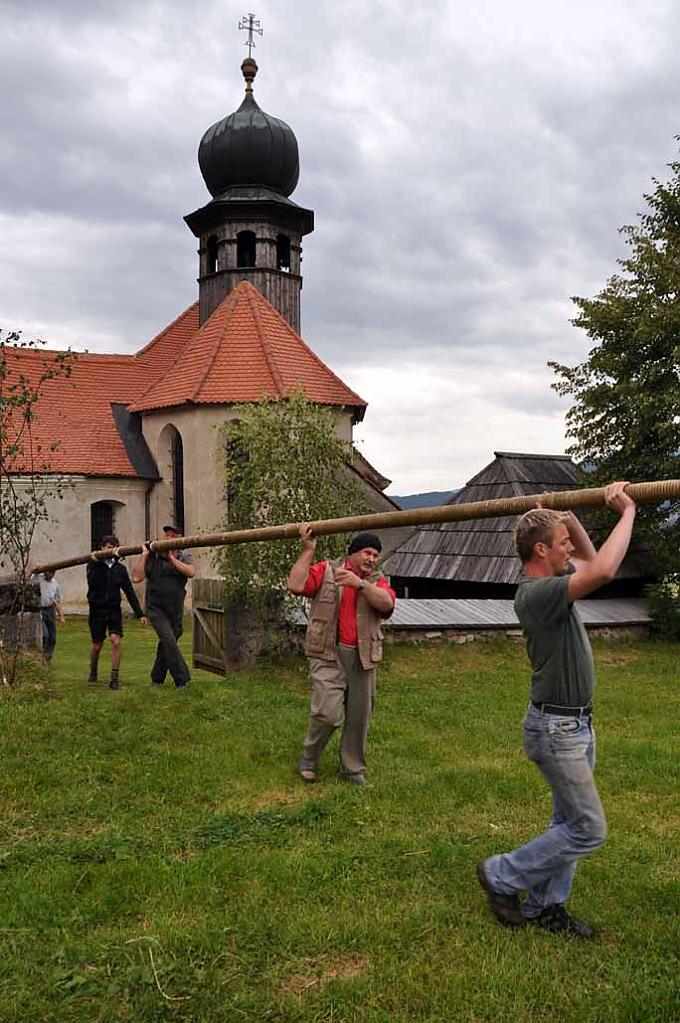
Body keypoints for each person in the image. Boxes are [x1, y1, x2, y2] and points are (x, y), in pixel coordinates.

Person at [476, 482, 637, 939]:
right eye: (563, 541)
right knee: (588, 829)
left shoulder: (554, 581)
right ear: (541, 549)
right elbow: (602, 569)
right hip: (557, 728)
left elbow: (588, 561)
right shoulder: (538, 594)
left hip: (575, 722)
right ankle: (501, 874)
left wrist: (571, 516)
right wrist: (626, 512)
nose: (571, 547)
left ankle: (547, 906)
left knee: (566, 821)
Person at [288, 527, 396, 786]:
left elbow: (387, 604)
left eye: (375, 555)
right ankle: (309, 757)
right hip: (327, 654)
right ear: (353, 553)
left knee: (359, 717)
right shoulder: (326, 571)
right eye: (367, 553)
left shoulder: (378, 580)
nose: (372, 559)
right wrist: (308, 550)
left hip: (363, 657)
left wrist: (359, 584)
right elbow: (295, 584)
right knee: (327, 713)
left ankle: (352, 769)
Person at [131, 524, 196, 690]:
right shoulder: (153, 558)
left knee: (167, 643)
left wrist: (172, 558)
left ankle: (157, 679)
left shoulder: (183, 556)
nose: (167, 538)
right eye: (166, 535)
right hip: (156, 609)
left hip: (175, 609)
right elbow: (137, 577)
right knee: (169, 640)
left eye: (171, 535)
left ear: (179, 538)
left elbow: (191, 572)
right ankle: (182, 680)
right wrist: (145, 554)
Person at [86, 535, 147, 689]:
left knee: (116, 641)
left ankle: (114, 679)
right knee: (97, 645)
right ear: (102, 548)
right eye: (107, 546)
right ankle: (93, 670)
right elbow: (92, 583)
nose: (109, 549)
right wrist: (95, 563)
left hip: (113, 609)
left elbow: (129, 592)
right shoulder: (93, 564)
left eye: (113, 547)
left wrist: (140, 614)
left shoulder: (120, 569)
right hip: (97, 609)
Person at [31, 568, 65, 662]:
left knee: (53, 638)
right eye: (49, 573)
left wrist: (61, 616)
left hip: (50, 610)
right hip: (40, 610)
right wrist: (33, 570)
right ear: (46, 572)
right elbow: (27, 578)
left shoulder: (55, 584)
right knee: (45, 635)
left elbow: (57, 602)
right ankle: (41, 657)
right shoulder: (38, 578)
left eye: (53, 574)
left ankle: (47, 659)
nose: (51, 575)